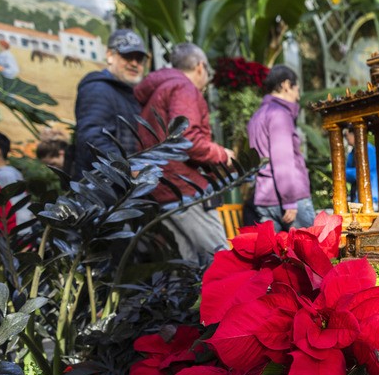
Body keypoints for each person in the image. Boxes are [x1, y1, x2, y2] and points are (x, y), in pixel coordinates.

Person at [134, 42, 235, 263]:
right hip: (185, 190)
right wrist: (224, 154)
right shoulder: (184, 89)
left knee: (185, 274)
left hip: (161, 191)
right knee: (224, 265)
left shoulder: (159, 91)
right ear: (200, 66)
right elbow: (187, 140)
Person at [71, 29, 147, 179]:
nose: (134, 63)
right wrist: (128, 168)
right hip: (102, 192)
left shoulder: (126, 92)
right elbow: (92, 139)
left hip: (119, 189)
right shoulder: (98, 89)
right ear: (110, 56)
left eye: (139, 59)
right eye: (127, 56)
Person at [246, 65, 314, 232]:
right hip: (289, 202)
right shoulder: (279, 114)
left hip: (264, 200)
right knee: (312, 255)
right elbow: (282, 160)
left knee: (274, 257)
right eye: (296, 89)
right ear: (285, 85)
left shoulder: (256, 116)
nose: (298, 96)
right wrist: (289, 199)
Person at [344, 126, 379, 207]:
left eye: (347, 134)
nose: (346, 137)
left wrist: (342, 173)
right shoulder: (352, 153)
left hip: (371, 196)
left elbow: (362, 172)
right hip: (357, 194)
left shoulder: (368, 149)